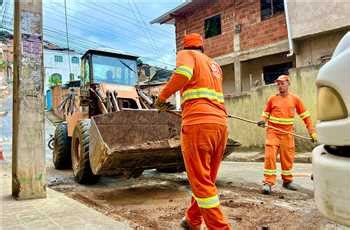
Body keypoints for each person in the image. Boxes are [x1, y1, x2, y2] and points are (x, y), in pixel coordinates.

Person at [155, 33, 231, 230]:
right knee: (206, 179)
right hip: (220, 125)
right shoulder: (215, 66)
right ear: (202, 47)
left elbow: (183, 75)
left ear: (187, 47)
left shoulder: (186, 54)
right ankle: (192, 219)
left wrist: (162, 97)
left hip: (198, 124)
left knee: (201, 182)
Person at [257, 74, 317, 194]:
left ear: (288, 84)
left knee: (287, 158)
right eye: (278, 84)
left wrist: (312, 132)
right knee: (270, 157)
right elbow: (266, 113)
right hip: (272, 132)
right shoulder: (272, 99)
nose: (279, 86)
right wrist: (263, 121)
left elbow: (306, 116)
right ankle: (268, 182)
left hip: (287, 134)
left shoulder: (295, 99)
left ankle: (287, 181)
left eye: (282, 83)